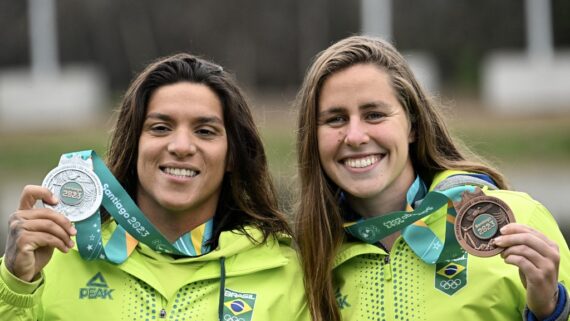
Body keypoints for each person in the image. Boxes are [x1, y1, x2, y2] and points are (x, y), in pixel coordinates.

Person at [0, 53, 309, 321]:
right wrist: (14, 284)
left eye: (205, 131)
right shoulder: (55, 257)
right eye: (160, 128)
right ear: (134, 145)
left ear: (232, 156)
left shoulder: (283, 273)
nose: (181, 146)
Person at [294, 35, 570, 321]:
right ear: (312, 138)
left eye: (374, 114)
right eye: (336, 119)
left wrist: (551, 310)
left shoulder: (514, 221)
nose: (355, 136)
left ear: (412, 126)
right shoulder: (308, 261)